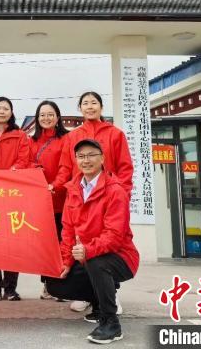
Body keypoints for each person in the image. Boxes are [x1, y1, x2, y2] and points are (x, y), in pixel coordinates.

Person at [45, 139, 139, 345]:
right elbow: (68, 231)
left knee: (97, 263)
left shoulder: (115, 191)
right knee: (53, 282)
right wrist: (66, 262)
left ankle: (111, 323)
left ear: (102, 158)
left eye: (91, 155)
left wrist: (88, 250)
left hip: (120, 257)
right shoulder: (73, 189)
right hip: (86, 256)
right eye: (81, 156)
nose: (86, 160)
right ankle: (97, 303)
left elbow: (115, 236)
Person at [54, 91, 133, 313]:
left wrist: (122, 194)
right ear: (80, 108)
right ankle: (88, 294)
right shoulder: (72, 137)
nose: (90, 106)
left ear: (101, 107)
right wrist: (54, 187)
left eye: (94, 103)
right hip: (81, 197)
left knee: (107, 246)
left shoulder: (115, 134)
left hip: (107, 198)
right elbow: (65, 169)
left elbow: (125, 168)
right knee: (81, 243)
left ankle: (110, 295)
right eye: (85, 103)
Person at [0, 96, 30, 301]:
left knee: (12, 241)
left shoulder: (20, 136)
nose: (2, 111)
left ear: (11, 113)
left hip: (12, 193)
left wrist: (12, 172)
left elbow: (24, 160)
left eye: (6, 108)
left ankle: (10, 288)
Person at [28, 100, 69, 300]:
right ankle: (47, 285)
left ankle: (63, 285)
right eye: (42, 115)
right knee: (44, 246)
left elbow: (66, 167)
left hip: (61, 198)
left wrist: (55, 185)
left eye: (50, 114)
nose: (46, 118)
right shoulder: (31, 141)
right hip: (40, 201)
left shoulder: (66, 139)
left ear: (57, 117)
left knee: (62, 242)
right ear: (37, 118)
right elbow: (26, 162)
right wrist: (35, 171)